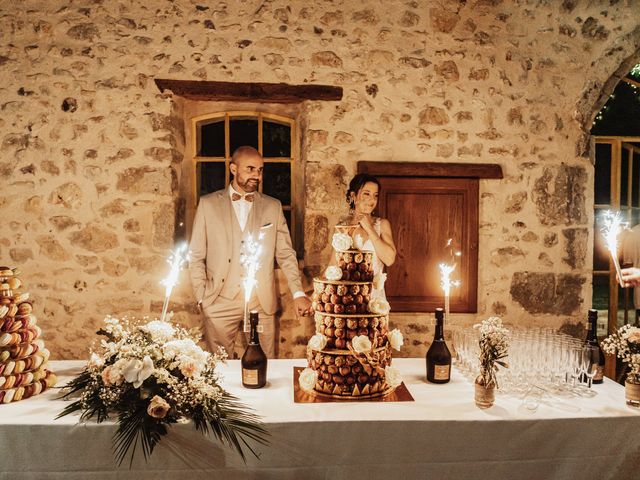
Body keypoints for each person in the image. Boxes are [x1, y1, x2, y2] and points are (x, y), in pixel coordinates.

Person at [189, 146, 312, 359]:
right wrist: (202, 297)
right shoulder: (208, 204)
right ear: (233, 169)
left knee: (266, 364)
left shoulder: (272, 206)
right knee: (218, 368)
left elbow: (285, 254)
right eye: (251, 169)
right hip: (219, 300)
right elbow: (196, 255)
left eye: (260, 170)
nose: (257, 175)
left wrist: (298, 293)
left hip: (260, 302)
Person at [344, 173, 397, 299]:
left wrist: (368, 227)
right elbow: (333, 265)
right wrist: (314, 295)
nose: (372, 200)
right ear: (353, 196)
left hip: (374, 299)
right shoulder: (343, 228)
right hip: (348, 299)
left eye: (375, 195)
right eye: (366, 194)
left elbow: (389, 259)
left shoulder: (382, 225)